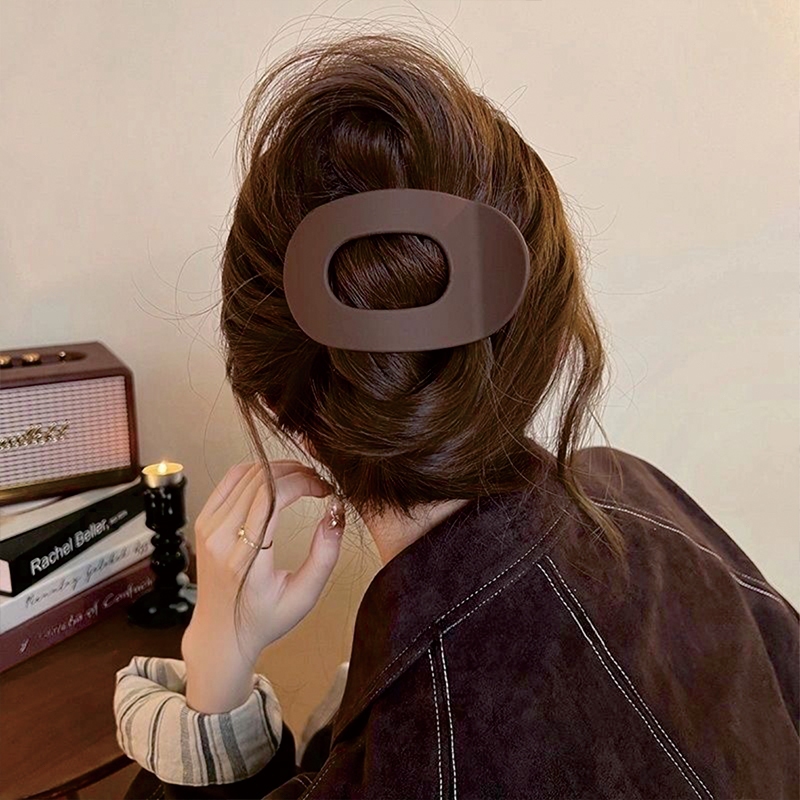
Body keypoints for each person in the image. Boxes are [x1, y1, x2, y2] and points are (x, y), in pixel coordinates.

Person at [115, 30, 799, 800]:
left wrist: (217, 677)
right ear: (546, 339)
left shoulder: (409, 764)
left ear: (278, 403)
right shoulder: (644, 497)